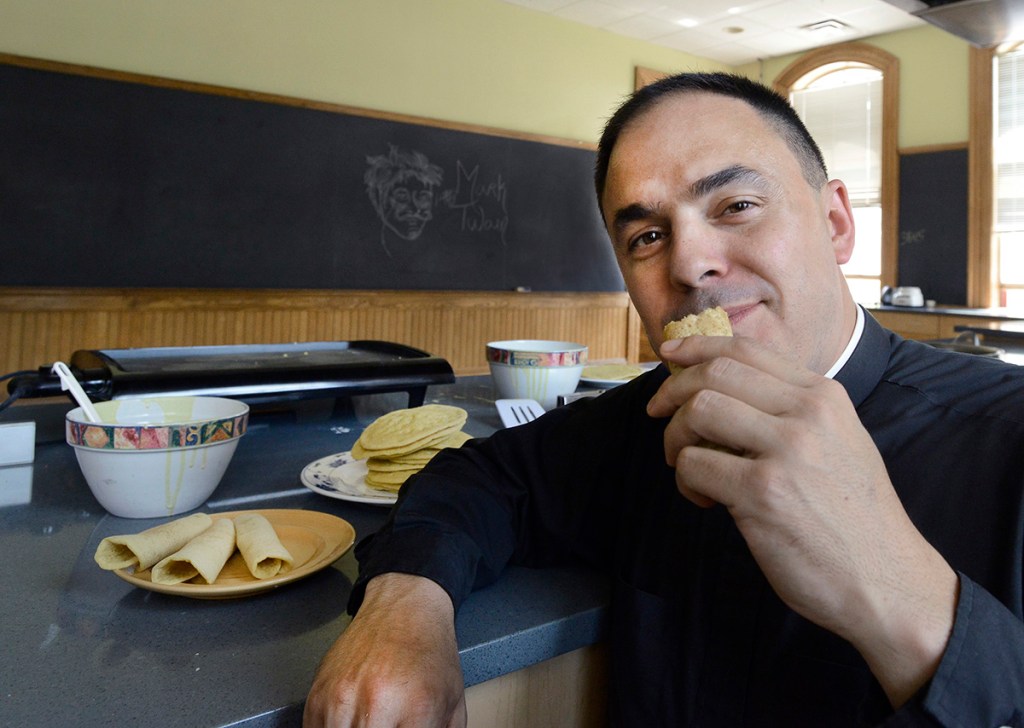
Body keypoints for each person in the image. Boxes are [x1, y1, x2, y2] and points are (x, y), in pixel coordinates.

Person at [304, 72, 1024, 726]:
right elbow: (480, 480)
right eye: (647, 236)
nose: (687, 262)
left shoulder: (1006, 440)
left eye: (737, 204)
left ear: (836, 223)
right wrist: (404, 603)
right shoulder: (642, 424)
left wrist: (900, 594)